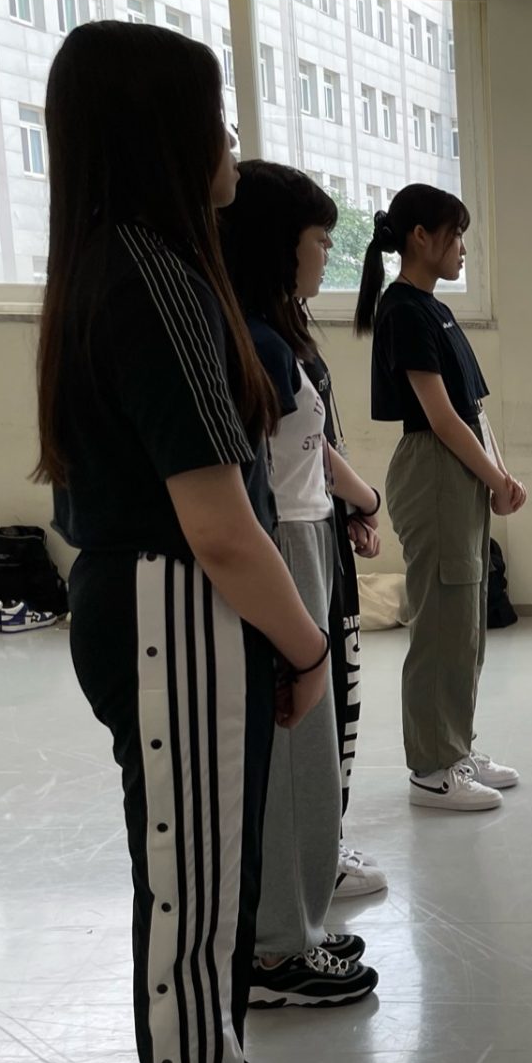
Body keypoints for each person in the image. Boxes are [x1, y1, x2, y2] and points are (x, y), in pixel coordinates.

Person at [35, 21, 346, 1063]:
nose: (231, 143)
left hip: (172, 609)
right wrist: (307, 643)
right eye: (217, 118)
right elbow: (218, 523)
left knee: (207, 886)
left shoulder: (123, 264)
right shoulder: (152, 277)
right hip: (177, 609)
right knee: (192, 899)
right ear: (163, 134)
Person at [220, 161, 384, 1007]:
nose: (326, 254)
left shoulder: (274, 336)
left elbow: (306, 456)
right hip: (283, 540)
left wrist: (350, 506)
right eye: (319, 239)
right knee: (290, 746)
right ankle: (277, 950)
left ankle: (299, 924)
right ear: (276, 245)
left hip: (307, 532)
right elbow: (256, 478)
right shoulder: (252, 340)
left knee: (310, 745)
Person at [354, 185, 527, 808]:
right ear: (420, 237)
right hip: (434, 471)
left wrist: (500, 476)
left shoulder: (435, 310)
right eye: (455, 236)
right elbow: (440, 417)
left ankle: (455, 748)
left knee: (466, 623)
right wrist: (493, 478)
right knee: (441, 624)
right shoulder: (403, 309)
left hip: (459, 470)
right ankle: (431, 768)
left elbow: (472, 408)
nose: (461, 249)